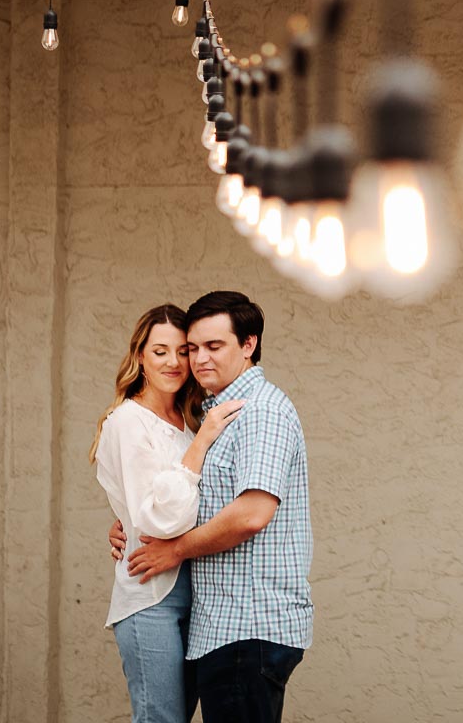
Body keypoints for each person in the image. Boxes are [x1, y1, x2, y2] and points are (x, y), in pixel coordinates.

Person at [120, 290, 314, 723]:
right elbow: (192, 500)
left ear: (248, 345)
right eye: (193, 348)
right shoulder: (220, 417)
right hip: (224, 630)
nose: (199, 359)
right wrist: (130, 524)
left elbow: (251, 514)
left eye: (215, 346)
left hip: (249, 628)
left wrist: (174, 550)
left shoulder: (261, 411)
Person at [92, 304, 245, 723]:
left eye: (183, 351)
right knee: (161, 719)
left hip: (196, 591)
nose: (174, 362)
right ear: (140, 355)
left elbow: (191, 503)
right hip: (150, 594)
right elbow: (158, 520)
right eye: (160, 351)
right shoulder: (127, 422)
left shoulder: (188, 420)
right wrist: (203, 442)